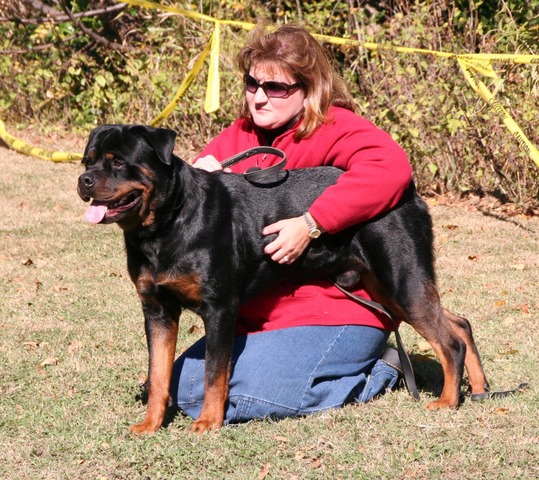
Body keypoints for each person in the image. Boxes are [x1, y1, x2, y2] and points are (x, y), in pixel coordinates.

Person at [169, 23, 413, 424]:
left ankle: (380, 371)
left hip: (336, 313)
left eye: (276, 88)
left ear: (309, 88)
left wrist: (312, 222)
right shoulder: (239, 136)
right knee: (183, 389)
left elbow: (390, 168)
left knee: (245, 401)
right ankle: (280, 371)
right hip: (254, 320)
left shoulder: (336, 127)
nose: (259, 97)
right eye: (252, 83)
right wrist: (198, 182)